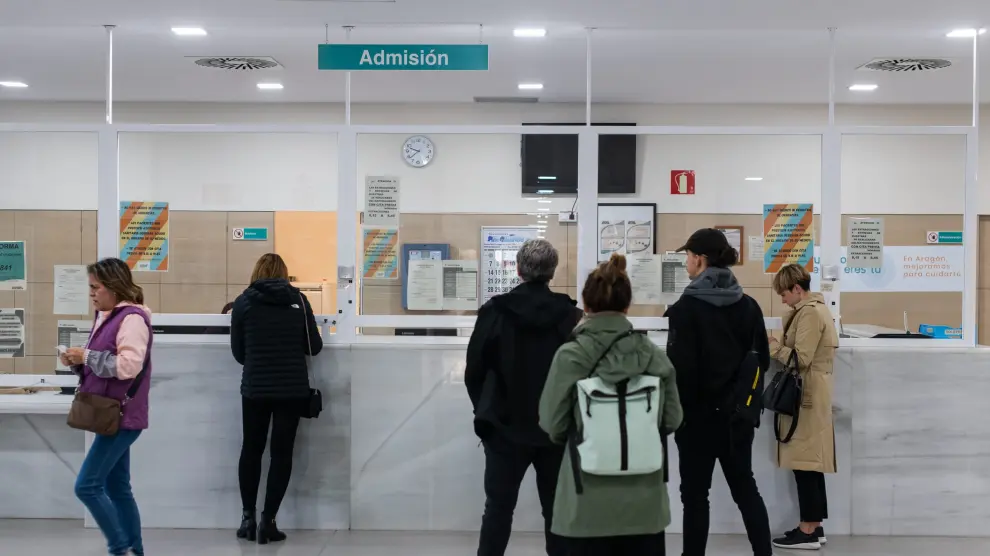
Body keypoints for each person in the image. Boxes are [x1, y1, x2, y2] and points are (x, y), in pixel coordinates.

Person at [539, 253, 683, 556]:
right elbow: (673, 419)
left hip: (583, 504)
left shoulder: (570, 356)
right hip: (645, 507)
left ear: (586, 306)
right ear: (627, 305)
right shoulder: (653, 356)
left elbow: (552, 423)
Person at [466, 238, 582, 556]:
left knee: (498, 510)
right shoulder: (571, 315)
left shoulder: (494, 311)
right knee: (557, 513)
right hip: (556, 429)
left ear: (517, 269)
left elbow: (474, 369)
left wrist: (485, 410)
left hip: (503, 426)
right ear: (552, 272)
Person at [664, 228, 773, 556]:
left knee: (695, 497)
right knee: (746, 489)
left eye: (688, 256)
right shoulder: (749, 306)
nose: (686, 263)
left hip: (696, 419)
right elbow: (762, 360)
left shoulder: (685, 309)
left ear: (700, 259)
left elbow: (678, 369)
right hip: (737, 417)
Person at [63, 258, 153, 556]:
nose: (91, 293)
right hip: (114, 416)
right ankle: (134, 551)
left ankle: (120, 549)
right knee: (118, 488)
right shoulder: (107, 317)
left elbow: (128, 366)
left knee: (87, 486)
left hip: (121, 415)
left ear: (113, 287)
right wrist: (79, 362)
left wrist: (86, 356)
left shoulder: (132, 320)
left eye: (95, 287)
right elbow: (103, 366)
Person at [231, 253, 322, 544]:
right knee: (281, 454)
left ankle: (247, 518)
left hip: (255, 388)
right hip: (291, 390)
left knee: (251, 450)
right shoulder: (299, 301)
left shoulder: (243, 302)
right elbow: (314, 347)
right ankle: (268, 522)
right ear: (284, 273)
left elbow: (238, 353)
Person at [769, 264, 839, 551]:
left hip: (807, 393)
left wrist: (772, 345)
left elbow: (800, 359)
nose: (782, 299)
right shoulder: (813, 310)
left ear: (797, 288)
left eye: (784, 293)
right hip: (812, 392)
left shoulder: (809, 312)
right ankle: (815, 525)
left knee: (805, 464)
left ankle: (807, 529)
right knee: (810, 463)